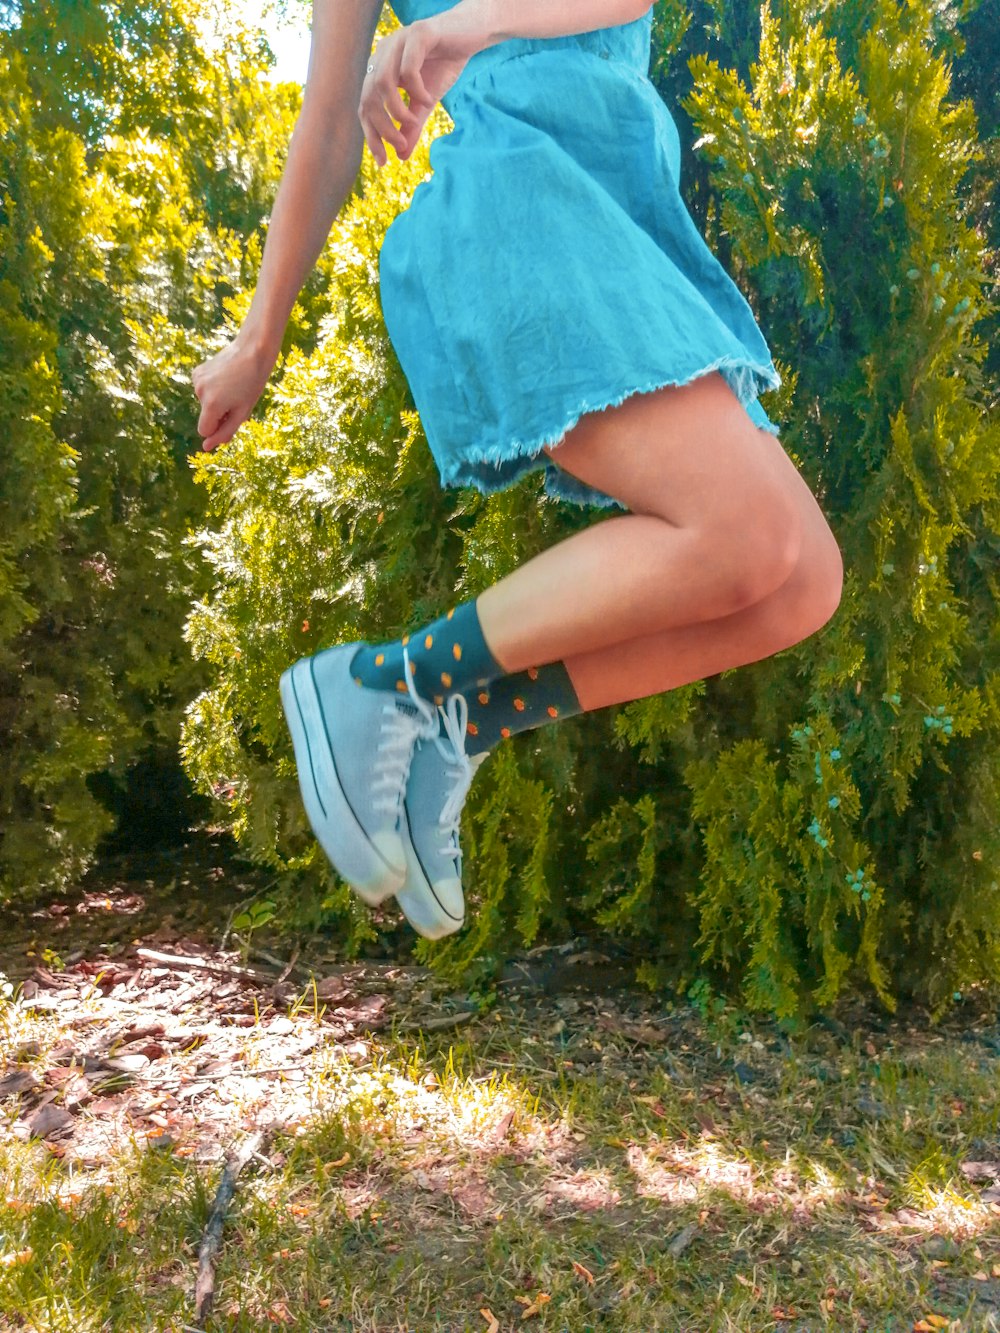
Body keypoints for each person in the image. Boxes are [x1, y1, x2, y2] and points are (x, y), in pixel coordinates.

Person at [191, 0, 843, 942]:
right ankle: (389, 685)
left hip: (615, 196)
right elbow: (327, 120)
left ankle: (460, 722)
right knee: (746, 533)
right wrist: (262, 335)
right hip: (521, 194)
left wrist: (471, 23)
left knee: (800, 583)